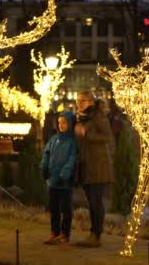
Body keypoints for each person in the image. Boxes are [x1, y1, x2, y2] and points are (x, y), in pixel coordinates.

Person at [74, 91, 114, 247]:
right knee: (91, 202)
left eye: (82, 101)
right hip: (86, 165)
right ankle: (93, 234)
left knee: (96, 202)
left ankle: (96, 235)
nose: (79, 103)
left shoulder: (98, 116)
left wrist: (86, 133)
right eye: (78, 100)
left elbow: (108, 137)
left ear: (91, 102)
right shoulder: (83, 117)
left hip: (98, 166)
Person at [40, 111, 78, 245]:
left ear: (70, 124)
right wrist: (44, 168)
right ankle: (54, 232)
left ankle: (64, 234)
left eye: (64, 123)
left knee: (66, 209)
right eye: (60, 122)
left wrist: (65, 174)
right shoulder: (54, 139)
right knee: (54, 208)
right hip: (53, 180)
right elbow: (46, 153)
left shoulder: (72, 141)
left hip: (65, 182)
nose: (61, 125)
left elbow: (72, 159)